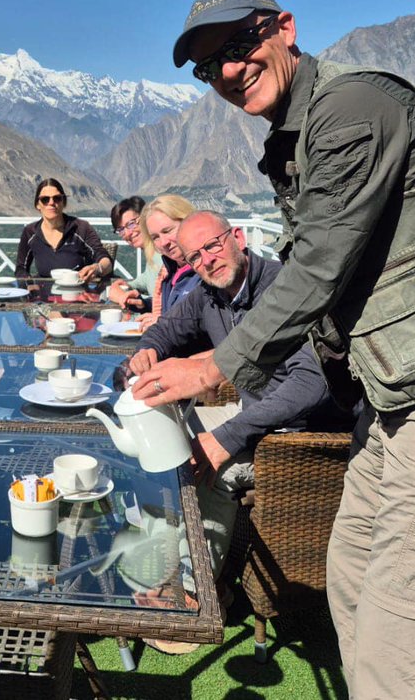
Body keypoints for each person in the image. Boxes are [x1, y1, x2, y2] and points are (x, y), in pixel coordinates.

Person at [142, 0, 415, 696]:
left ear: (284, 28)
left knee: (406, 653)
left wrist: (218, 366)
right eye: (207, 65)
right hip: (396, 399)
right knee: (350, 592)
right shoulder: (297, 137)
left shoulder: (351, 107)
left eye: (239, 46)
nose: (226, 71)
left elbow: (319, 264)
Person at [124, 211, 339, 593]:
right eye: (195, 257)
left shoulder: (281, 290)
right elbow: (167, 330)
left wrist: (226, 438)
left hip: (299, 432)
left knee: (211, 469)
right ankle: (164, 555)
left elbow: (311, 385)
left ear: (237, 237)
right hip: (253, 412)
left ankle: (197, 592)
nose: (206, 260)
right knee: (163, 437)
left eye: (213, 245)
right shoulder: (210, 294)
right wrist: (146, 352)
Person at [14, 178, 112, 280]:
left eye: (57, 198)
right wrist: (29, 284)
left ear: (63, 202)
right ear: (38, 205)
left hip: (79, 291)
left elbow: (104, 259)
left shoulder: (81, 228)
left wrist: (97, 268)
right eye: (45, 199)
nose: (51, 202)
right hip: (44, 292)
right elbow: (21, 268)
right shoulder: (30, 232)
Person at [140, 194, 201, 327]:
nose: (163, 242)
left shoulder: (206, 268)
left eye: (168, 231)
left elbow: (205, 321)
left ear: (188, 221)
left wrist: (163, 324)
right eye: (155, 237)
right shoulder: (170, 271)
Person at [106, 196, 162, 313]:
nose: (127, 233)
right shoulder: (152, 252)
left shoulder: (162, 251)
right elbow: (147, 278)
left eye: (131, 224)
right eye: (120, 229)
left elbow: (167, 300)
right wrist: (126, 285)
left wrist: (125, 296)